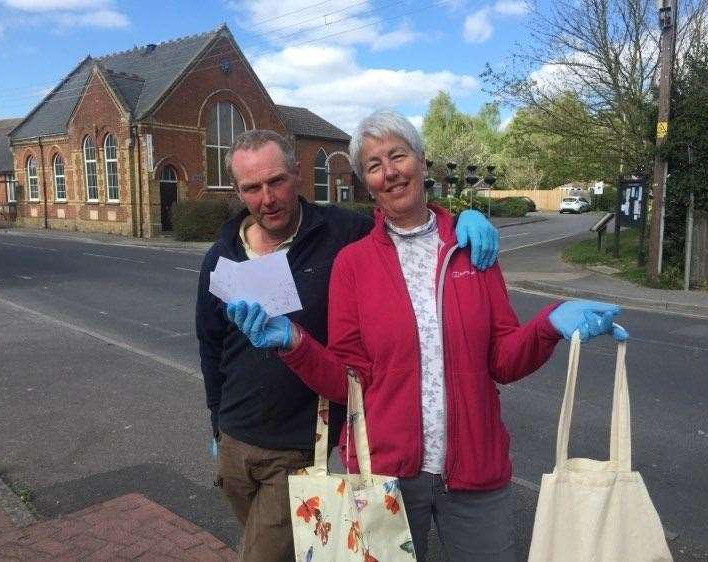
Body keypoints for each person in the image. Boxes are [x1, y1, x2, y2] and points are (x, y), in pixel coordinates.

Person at [226, 111, 629, 562]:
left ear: (421, 161)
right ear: (366, 182)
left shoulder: (473, 249)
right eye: (374, 165)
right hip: (386, 473)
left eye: (398, 155)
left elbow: (504, 361)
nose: (390, 172)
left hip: (476, 469)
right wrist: (294, 343)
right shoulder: (353, 264)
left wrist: (549, 325)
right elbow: (348, 382)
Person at [196, 128, 501, 562]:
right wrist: (215, 423)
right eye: (252, 188)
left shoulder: (341, 231)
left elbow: (402, 216)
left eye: (277, 181)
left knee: (263, 555)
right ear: (238, 191)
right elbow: (210, 347)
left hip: (300, 442)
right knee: (292, 548)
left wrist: (461, 219)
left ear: (297, 174)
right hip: (234, 440)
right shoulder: (222, 256)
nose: (268, 198)